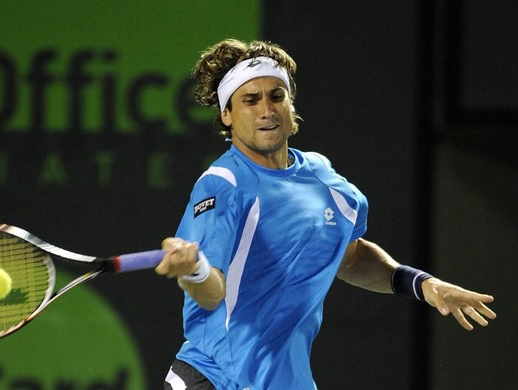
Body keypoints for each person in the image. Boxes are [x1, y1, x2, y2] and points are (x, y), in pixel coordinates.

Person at [155, 38, 496, 390]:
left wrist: (424, 285)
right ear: (227, 115)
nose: (266, 110)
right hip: (215, 380)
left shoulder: (324, 179)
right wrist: (194, 271)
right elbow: (213, 293)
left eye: (276, 95)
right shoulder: (223, 184)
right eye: (250, 100)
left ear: (290, 103)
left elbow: (349, 259)